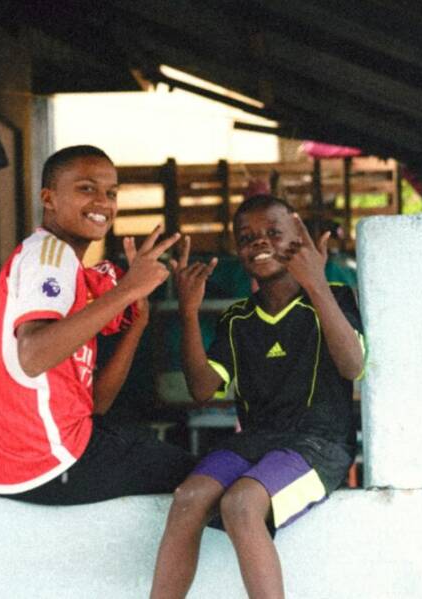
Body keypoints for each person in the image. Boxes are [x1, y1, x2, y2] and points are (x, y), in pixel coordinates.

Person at [150, 195, 366, 598]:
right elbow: (202, 389)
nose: (259, 242)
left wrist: (316, 284)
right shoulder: (238, 320)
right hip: (255, 441)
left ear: (298, 237)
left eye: (273, 232)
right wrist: (189, 312)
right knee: (189, 497)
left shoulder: (335, 297)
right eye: (247, 237)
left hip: (319, 444)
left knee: (241, 504)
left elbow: (352, 366)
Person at [0, 144, 194, 504]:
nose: (103, 202)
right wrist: (127, 289)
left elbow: (95, 407)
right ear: (49, 198)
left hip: (31, 465)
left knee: (189, 470)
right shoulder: (50, 254)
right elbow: (31, 355)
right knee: (210, 481)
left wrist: (138, 320)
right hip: (48, 462)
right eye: (86, 188)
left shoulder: (67, 270)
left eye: (111, 193)